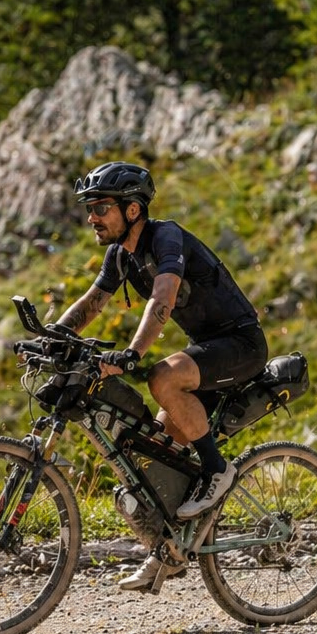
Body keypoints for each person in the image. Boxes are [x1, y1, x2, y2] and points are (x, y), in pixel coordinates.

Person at [52, 160, 267, 592]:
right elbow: (92, 303)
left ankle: (217, 471)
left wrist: (132, 354)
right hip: (205, 354)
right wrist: (53, 335)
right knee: (157, 462)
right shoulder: (120, 255)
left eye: (101, 208)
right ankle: (169, 552)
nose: (92, 217)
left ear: (132, 210)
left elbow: (162, 296)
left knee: (161, 378)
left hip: (240, 345)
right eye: (89, 209)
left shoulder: (165, 236)